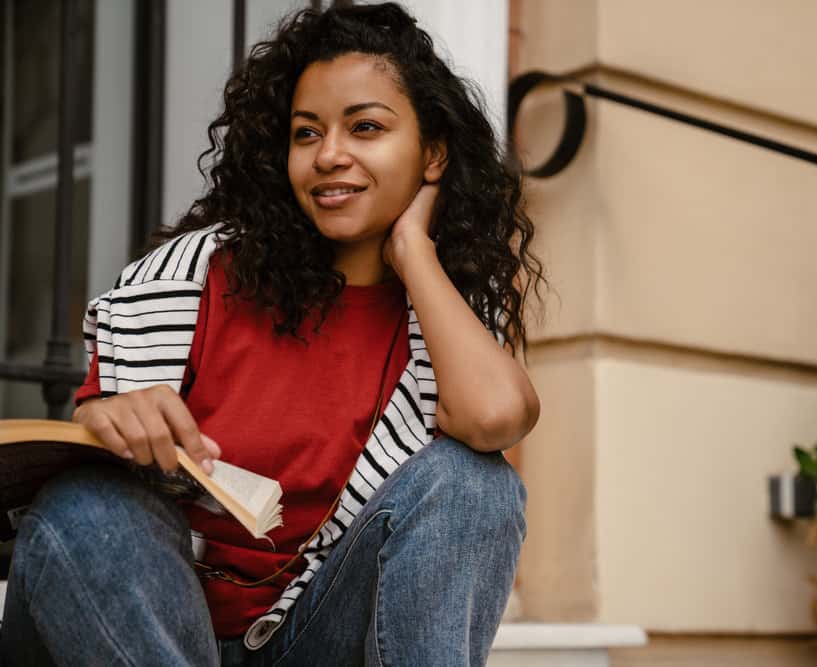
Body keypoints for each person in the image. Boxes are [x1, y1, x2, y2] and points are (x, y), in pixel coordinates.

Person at [0, 2, 546, 665]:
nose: (329, 156)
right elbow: (90, 529)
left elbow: (495, 419)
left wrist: (415, 253)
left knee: (474, 482)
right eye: (306, 133)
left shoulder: (438, 318)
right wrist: (112, 416)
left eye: (366, 128)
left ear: (432, 155)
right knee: (83, 507)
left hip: (311, 632)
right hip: (157, 629)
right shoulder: (191, 279)